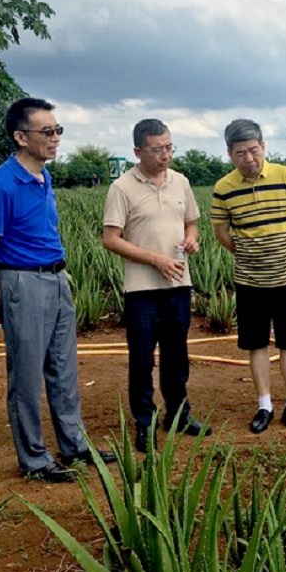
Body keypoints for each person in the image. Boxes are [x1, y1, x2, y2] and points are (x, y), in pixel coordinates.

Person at [0, 97, 116, 483]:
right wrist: (3, 289)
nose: (55, 138)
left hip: (55, 278)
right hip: (23, 281)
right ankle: (34, 459)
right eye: (46, 132)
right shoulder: (2, 185)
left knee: (63, 368)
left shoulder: (43, 177)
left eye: (58, 130)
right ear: (21, 137)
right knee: (27, 375)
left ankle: (74, 443)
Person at [103, 119, 211, 454]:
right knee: (142, 358)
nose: (165, 155)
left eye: (169, 147)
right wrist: (155, 259)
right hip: (141, 290)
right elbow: (111, 239)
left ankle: (178, 414)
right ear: (138, 151)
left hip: (178, 283)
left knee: (177, 355)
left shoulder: (181, 182)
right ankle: (145, 422)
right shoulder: (122, 187)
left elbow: (192, 223)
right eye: (157, 149)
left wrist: (191, 240)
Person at [211, 119, 286, 434]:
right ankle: (264, 404)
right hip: (250, 280)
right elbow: (220, 231)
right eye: (241, 152)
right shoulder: (223, 188)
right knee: (256, 344)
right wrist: (245, 252)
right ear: (230, 153)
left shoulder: (285, 176)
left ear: (263, 146)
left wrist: (283, 245)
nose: (249, 158)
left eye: (254, 150)